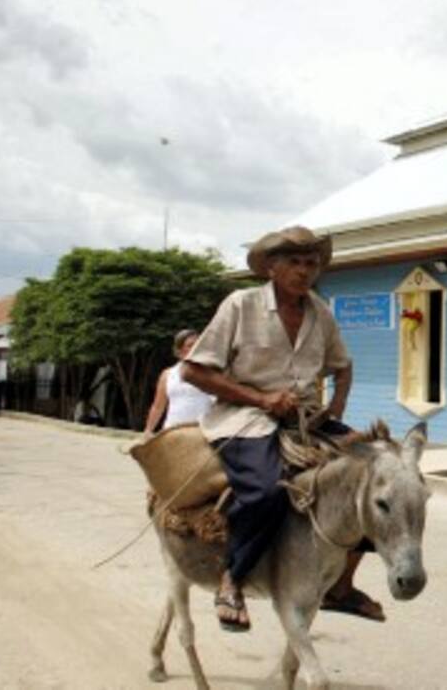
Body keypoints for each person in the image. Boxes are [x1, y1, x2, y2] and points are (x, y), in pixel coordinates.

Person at [182, 226, 383, 632]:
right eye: (294, 262)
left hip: (306, 419)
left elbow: (342, 365)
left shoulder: (320, 311)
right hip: (244, 418)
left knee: (376, 471)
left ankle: (340, 586)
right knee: (267, 489)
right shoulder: (241, 304)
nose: (305, 271)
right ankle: (232, 579)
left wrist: (335, 410)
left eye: (312, 263)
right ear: (272, 267)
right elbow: (194, 370)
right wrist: (261, 399)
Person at [144, 329, 214, 435]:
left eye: (198, 344)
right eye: (190, 345)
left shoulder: (212, 373)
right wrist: (148, 430)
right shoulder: (168, 374)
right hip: (172, 432)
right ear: (179, 350)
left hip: (203, 433)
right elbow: (158, 406)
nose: (195, 348)